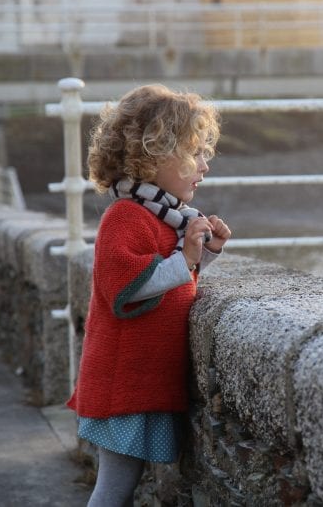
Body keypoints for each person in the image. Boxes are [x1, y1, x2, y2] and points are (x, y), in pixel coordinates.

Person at [67, 84, 231, 507]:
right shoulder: (124, 217)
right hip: (123, 385)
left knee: (121, 485)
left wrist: (202, 254)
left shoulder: (165, 217)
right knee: (114, 488)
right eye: (194, 152)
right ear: (154, 155)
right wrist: (185, 254)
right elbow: (126, 289)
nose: (204, 165)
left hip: (142, 382)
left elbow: (175, 281)